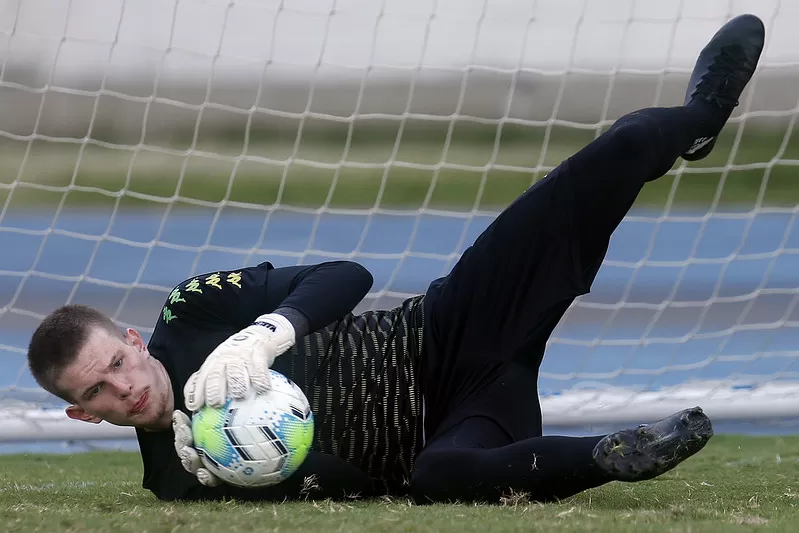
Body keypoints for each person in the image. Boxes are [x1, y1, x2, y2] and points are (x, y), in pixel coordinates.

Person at [26, 14, 764, 504]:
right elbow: (353, 488)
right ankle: (613, 453)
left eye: (116, 364)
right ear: (81, 413)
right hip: (461, 421)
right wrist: (263, 472)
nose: (122, 390)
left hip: (445, 328)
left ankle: (697, 120)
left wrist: (269, 331)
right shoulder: (176, 481)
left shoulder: (193, 310)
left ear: (129, 339)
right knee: (438, 478)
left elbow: (349, 276)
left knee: (610, 160)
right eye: (97, 393)